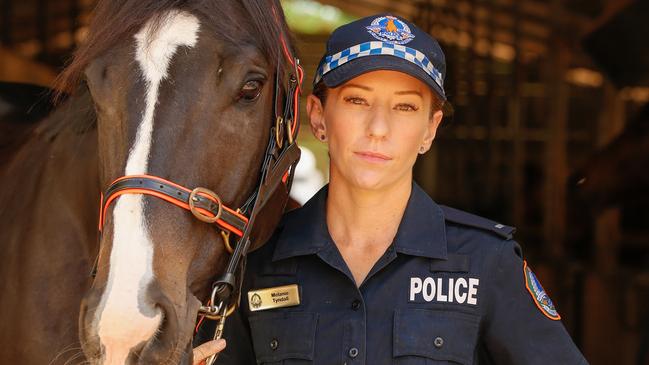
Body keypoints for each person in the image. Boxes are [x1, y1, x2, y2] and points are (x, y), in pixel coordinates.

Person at [194, 13, 589, 365]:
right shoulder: (257, 264)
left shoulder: (485, 261)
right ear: (318, 117)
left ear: (429, 130)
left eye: (405, 107)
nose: (378, 129)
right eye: (357, 101)